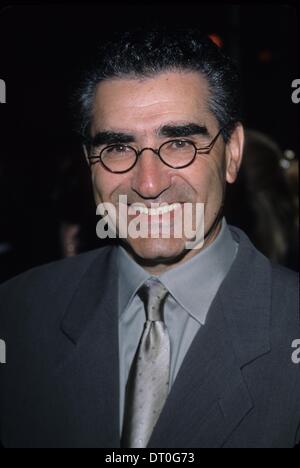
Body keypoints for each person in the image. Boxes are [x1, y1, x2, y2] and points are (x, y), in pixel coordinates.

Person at [0, 29, 299, 449]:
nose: (148, 182)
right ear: (89, 161)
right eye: (118, 148)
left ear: (232, 153)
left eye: (178, 143)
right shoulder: (16, 315)